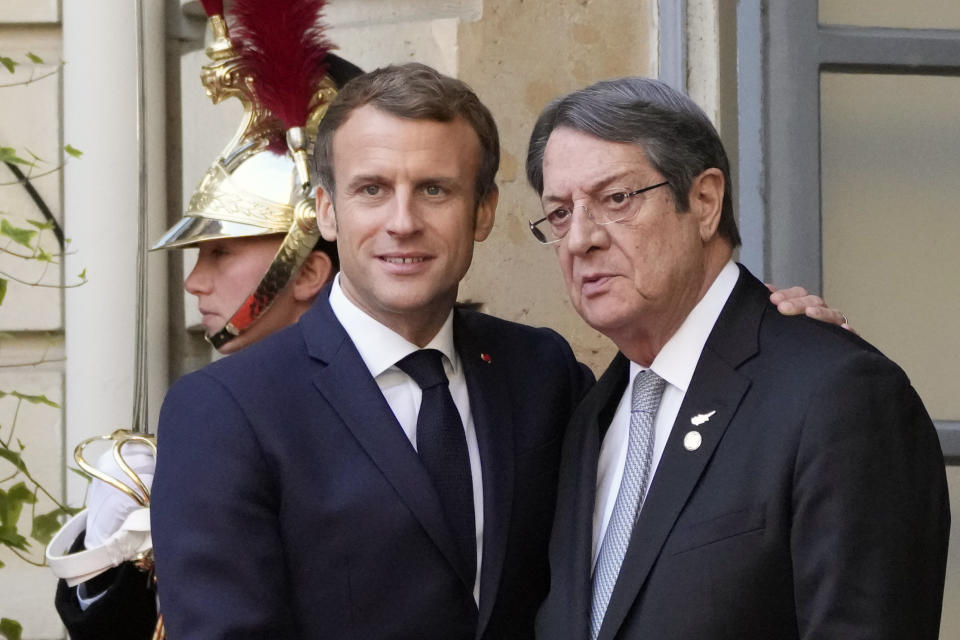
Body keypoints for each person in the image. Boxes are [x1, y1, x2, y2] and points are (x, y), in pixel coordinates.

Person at [527, 77, 950, 640]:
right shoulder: (590, 418)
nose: (580, 239)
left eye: (616, 199)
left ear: (704, 202)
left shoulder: (837, 393)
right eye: (559, 213)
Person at [48, 16, 363, 636]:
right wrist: (114, 555)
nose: (195, 282)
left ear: (305, 271)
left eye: (220, 253)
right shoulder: (214, 408)